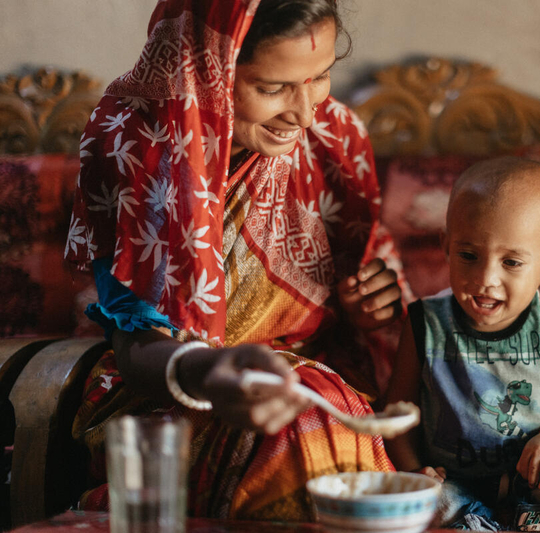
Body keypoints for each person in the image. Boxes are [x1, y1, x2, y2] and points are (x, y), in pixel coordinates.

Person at [65, 0, 409, 520]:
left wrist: (366, 311)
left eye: (319, 78)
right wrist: (209, 372)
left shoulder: (333, 137)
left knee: (316, 405)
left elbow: (357, 291)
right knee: (307, 420)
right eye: (271, 89)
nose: (305, 113)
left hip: (319, 391)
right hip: (174, 400)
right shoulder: (140, 146)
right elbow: (136, 346)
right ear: (206, 70)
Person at [384, 157, 540, 532]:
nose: (486, 278)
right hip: (455, 476)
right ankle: (473, 525)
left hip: (537, 470)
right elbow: (396, 411)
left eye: (512, 262)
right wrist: (413, 472)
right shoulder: (426, 322)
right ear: (447, 246)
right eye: (468, 256)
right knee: (433, 502)